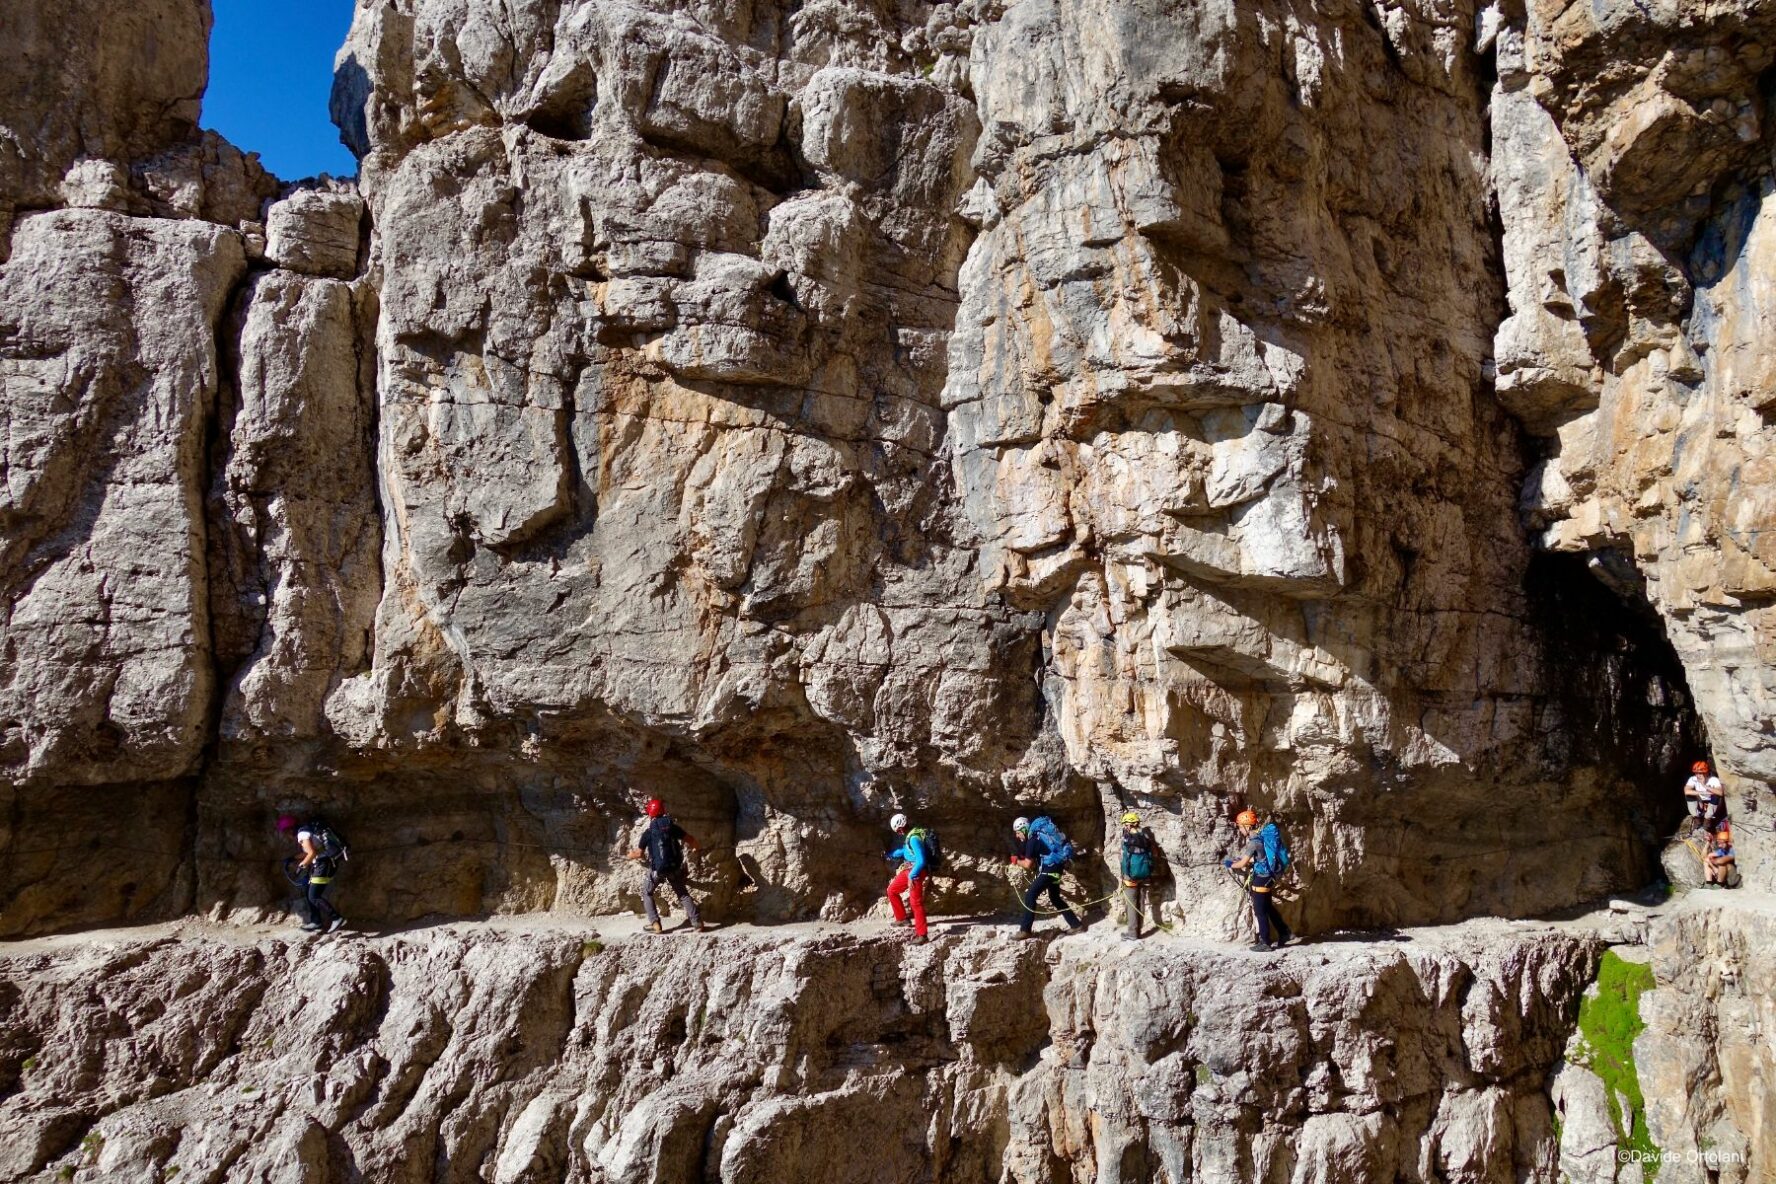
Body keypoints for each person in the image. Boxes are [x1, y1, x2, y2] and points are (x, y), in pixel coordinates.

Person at [627, 798, 706, 933]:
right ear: (663, 811)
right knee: (682, 894)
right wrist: (696, 849)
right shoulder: (672, 827)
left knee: (647, 892)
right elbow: (691, 840)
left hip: (657, 870)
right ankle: (697, 922)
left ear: (650, 814)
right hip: (674, 867)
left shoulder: (648, 832)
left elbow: (639, 853)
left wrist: (629, 855)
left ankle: (655, 924)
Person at [1225, 809, 1292, 951]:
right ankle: (1284, 932)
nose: (1239, 829)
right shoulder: (1261, 838)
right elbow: (1261, 858)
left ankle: (1265, 942)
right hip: (1270, 877)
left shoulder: (1253, 843)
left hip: (1261, 879)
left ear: (1247, 826)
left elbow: (1242, 864)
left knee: (1260, 911)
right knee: (1267, 907)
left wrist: (1230, 864)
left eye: (1240, 826)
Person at [1011, 815, 1084, 940]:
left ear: (1023, 829)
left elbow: (1028, 864)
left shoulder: (1033, 840)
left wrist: (1015, 861)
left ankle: (1025, 930)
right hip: (1057, 868)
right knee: (1054, 897)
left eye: (1018, 833)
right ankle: (1076, 925)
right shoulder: (1036, 838)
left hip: (1049, 870)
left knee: (1030, 895)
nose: (1017, 836)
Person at [281, 814, 346, 934]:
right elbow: (311, 851)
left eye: (284, 831)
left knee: (314, 896)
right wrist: (293, 858)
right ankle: (316, 922)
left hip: (323, 865)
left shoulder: (302, 834)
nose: (285, 835)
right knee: (308, 892)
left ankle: (336, 918)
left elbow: (311, 853)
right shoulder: (306, 831)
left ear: (289, 829)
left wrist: (301, 866)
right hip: (325, 863)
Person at [883, 813, 930, 943]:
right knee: (892, 890)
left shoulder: (914, 838)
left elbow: (921, 860)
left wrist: (912, 875)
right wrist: (889, 855)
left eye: (898, 830)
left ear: (901, 827)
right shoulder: (911, 835)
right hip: (910, 870)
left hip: (916, 872)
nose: (898, 833)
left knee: (916, 903)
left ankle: (922, 935)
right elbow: (905, 851)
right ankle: (902, 919)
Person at [1119, 811, 1159, 941]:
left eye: (1125, 824)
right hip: (1144, 873)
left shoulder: (1127, 839)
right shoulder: (1145, 838)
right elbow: (1154, 854)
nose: (1124, 826)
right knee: (1140, 901)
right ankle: (1139, 930)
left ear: (1129, 825)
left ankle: (1132, 933)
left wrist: (1123, 874)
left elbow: (1125, 858)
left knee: (1131, 904)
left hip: (1130, 875)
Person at [1685, 761, 1726, 833]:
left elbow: (1720, 793)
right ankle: (1696, 818)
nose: (1698, 775)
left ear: (1706, 772)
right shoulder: (1693, 779)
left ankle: (1707, 819)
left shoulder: (1713, 780)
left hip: (1712, 802)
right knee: (1689, 795)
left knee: (1716, 795)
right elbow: (1687, 791)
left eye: (1700, 773)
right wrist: (1701, 793)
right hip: (1700, 801)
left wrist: (1704, 785)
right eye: (1696, 773)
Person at [1704, 824, 1738, 888]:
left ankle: (1719, 884)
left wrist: (1712, 863)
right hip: (1724, 872)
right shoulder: (1722, 850)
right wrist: (1708, 843)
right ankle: (1709, 883)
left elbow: (1721, 861)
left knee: (1722, 864)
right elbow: (1706, 857)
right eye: (1719, 843)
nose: (1719, 846)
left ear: (1727, 842)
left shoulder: (1732, 850)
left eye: (1721, 843)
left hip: (1733, 876)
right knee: (1706, 862)